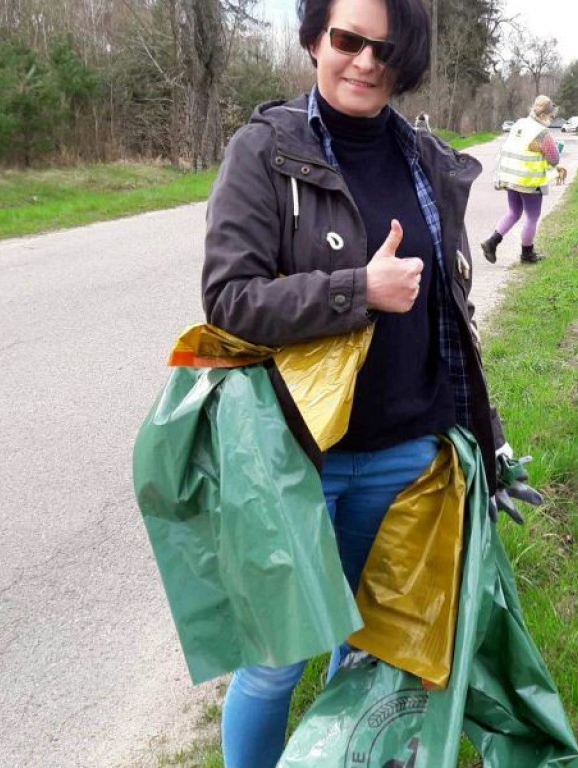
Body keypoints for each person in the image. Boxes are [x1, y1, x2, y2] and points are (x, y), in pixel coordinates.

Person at [200, 0, 535, 764]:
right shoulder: (265, 150)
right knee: (276, 659)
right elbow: (230, 299)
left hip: (403, 456)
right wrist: (357, 289)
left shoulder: (425, 159)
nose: (365, 62)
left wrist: (484, 439)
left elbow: (452, 313)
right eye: (347, 40)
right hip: (296, 459)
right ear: (315, 39)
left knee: (369, 649)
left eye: (386, 49)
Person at [479, 94, 563, 264]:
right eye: (551, 115)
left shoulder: (519, 124)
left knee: (514, 213)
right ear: (544, 115)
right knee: (532, 217)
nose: (552, 118)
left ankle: (491, 242)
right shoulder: (542, 133)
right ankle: (527, 254)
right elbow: (554, 158)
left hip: (511, 178)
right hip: (529, 182)